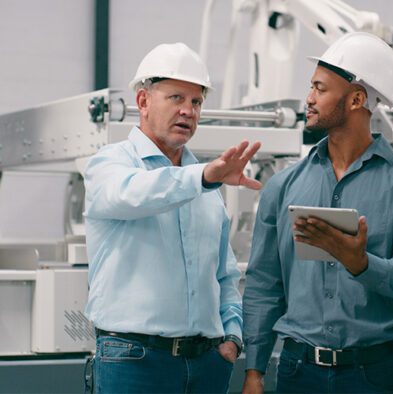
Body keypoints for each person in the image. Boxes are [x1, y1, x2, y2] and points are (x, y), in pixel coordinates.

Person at [241, 32, 393, 394]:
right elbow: (263, 284)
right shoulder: (283, 187)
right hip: (297, 372)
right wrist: (254, 371)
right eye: (311, 87)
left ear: (357, 99)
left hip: (376, 374)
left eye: (320, 89)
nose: (309, 98)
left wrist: (361, 263)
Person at [83, 42, 261, 393]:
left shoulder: (205, 180)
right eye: (176, 98)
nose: (189, 111)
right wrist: (204, 178)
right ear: (143, 102)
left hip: (208, 362)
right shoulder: (110, 164)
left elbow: (224, 274)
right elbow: (131, 194)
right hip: (134, 361)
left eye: (196, 102)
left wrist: (232, 338)